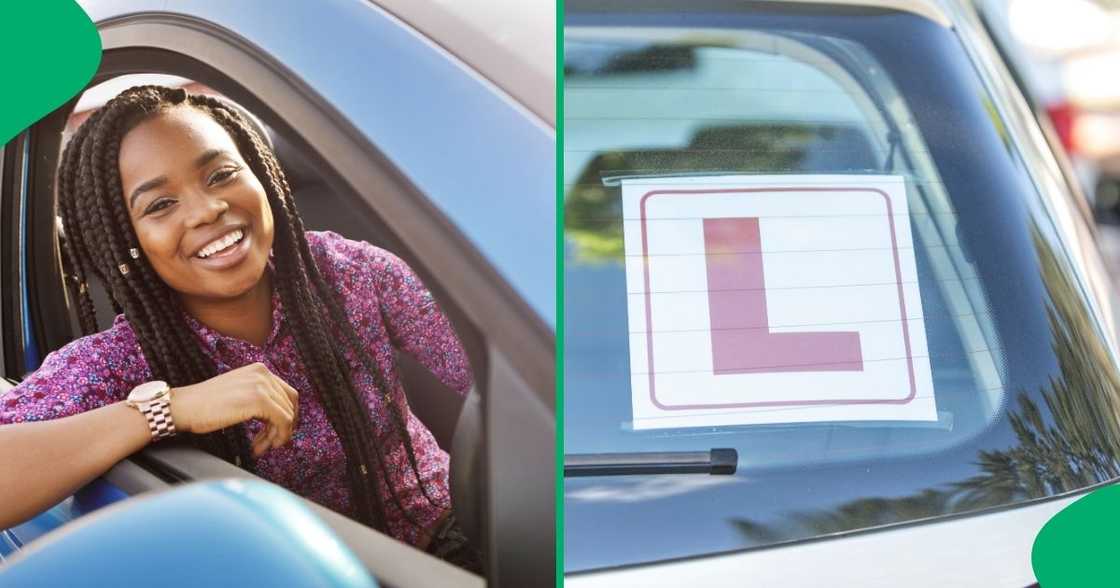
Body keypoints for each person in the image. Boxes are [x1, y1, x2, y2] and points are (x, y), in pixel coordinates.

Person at [0, 85, 480, 571]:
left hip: (444, 548)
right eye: (160, 205)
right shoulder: (119, 362)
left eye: (222, 174)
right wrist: (169, 410)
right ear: (125, 239)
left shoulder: (343, 271)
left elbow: (505, 375)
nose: (207, 209)